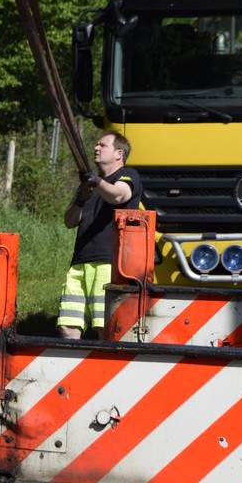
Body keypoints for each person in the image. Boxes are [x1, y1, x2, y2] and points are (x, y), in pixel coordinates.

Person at [58, 129, 142, 339]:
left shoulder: (127, 175)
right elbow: (69, 221)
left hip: (108, 264)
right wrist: (81, 198)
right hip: (79, 264)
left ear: (118, 154)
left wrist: (96, 182)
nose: (96, 148)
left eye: (102, 145)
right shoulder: (88, 185)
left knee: (105, 326)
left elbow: (118, 196)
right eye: (96, 144)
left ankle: (106, 368)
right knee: (67, 326)